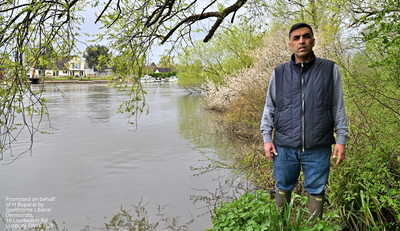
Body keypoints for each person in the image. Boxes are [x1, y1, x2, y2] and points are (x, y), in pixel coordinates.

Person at [260, 23, 348, 220]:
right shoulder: (279, 72)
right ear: (290, 44)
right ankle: (282, 225)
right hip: (283, 146)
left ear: (313, 41)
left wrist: (341, 139)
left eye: (306, 37)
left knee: (316, 190)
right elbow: (270, 107)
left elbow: (338, 107)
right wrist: (267, 137)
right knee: (282, 186)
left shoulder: (329, 69)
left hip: (319, 145)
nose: (302, 41)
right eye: (297, 38)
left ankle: (313, 226)